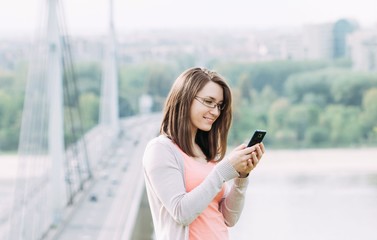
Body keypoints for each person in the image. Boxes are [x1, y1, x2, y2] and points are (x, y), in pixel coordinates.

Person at [142, 67, 265, 240]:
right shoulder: (161, 149)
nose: (215, 112)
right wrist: (225, 169)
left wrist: (241, 176)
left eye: (219, 106)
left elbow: (229, 219)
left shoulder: (205, 153)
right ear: (185, 98)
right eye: (208, 101)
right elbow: (182, 212)